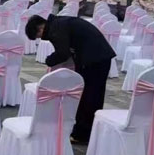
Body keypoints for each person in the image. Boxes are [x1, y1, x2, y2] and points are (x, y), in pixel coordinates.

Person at [25, 14, 115, 144]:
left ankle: (82, 134)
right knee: (93, 95)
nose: (42, 39)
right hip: (97, 56)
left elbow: (63, 53)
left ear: (40, 28)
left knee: (88, 96)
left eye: (39, 36)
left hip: (94, 59)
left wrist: (49, 60)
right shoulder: (58, 23)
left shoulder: (56, 28)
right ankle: (90, 130)